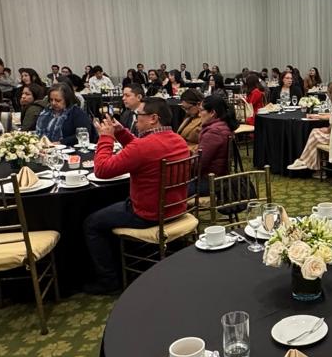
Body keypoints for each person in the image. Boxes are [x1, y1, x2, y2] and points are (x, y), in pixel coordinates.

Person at [83, 97, 192, 294]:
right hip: (177, 208)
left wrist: (106, 138)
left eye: (138, 115)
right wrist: (121, 133)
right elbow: (141, 150)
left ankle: (109, 281)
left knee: (91, 223)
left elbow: (102, 170)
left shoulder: (144, 146)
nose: (135, 119)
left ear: (153, 118)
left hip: (148, 214)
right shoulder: (178, 140)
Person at [194, 92, 235, 190]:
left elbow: (198, 164)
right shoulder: (222, 125)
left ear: (212, 112)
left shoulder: (214, 133)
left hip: (210, 182)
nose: (199, 114)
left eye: (201, 110)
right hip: (216, 178)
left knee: (170, 189)